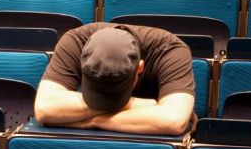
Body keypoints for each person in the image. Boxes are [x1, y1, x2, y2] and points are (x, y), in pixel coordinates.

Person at [33, 23, 195, 136]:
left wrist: (93, 122)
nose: (106, 105)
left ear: (139, 68)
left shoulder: (171, 51)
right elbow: (45, 108)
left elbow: (174, 121)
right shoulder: (75, 41)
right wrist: (141, 105)